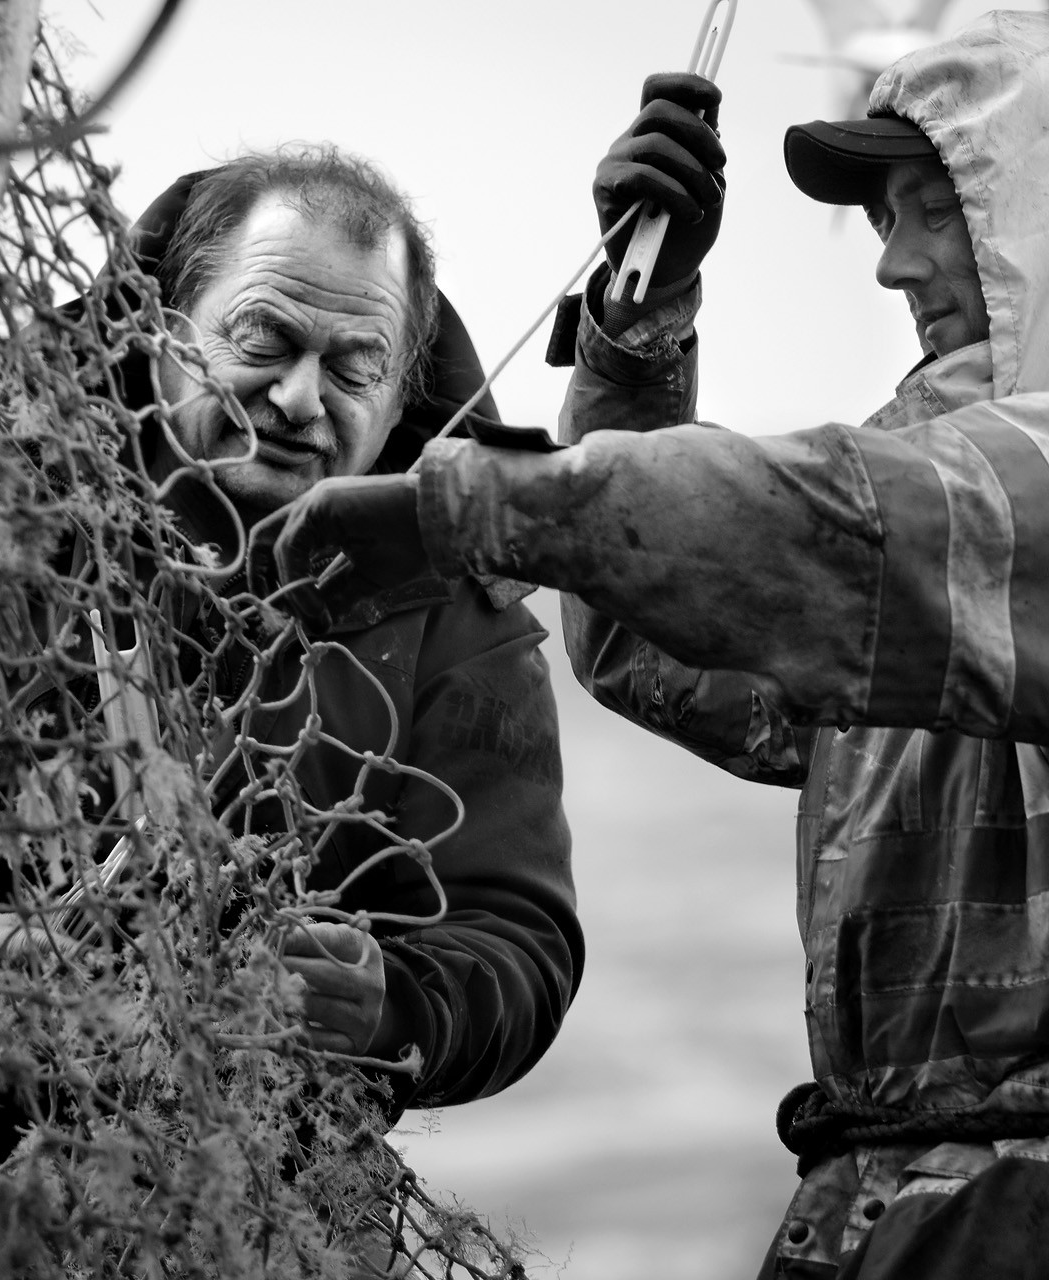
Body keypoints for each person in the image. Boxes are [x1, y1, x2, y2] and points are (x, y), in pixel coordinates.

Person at [0, 147, 580, 1273]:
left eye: (355, 365)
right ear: (160, 327)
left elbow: (517, 934)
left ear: (403, 398)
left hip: (255, 1196)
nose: (300, 399)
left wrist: (394, 1004)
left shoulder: (453, 606)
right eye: (263, 340)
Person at [264, 12, 1049, 1279]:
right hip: (893, 1218)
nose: (891, 268)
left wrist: (472, 504)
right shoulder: (902, 568)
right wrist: (637, 319)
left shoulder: (970, 518)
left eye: (936, 210)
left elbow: (830, 533)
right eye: (883, 219)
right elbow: (655, 637)